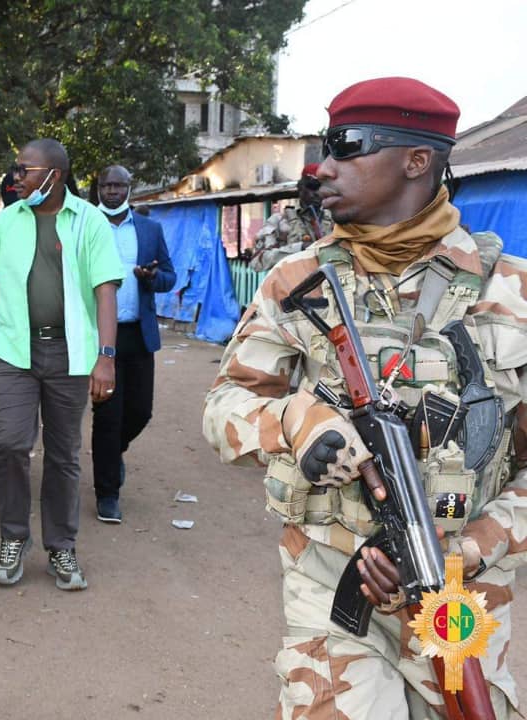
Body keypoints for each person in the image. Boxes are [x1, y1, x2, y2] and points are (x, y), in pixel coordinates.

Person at [202, 77, 527, 718]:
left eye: (348, 147)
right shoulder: (297, 281)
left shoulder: (511, 292)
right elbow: (224, 408)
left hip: (460, 597)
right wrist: (295, 419)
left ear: (417, 160)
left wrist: (472, 548)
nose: (324, 168)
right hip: (330, 580)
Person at [0, 138, 124, 591]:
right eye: (16, 169)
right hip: (13, 350)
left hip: (70, 353)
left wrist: (105, 357)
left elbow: (105, 291)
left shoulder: (89, 221)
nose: (16, 177)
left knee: (63, 453)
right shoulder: (7, 221)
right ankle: (13, 538)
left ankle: (61, 546)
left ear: (54, 175)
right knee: (9, 444)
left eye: (24, 170)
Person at [90, 164, 175, 523]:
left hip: (138, 334)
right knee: (107, 416)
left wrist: (151, 278)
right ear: (98, 188)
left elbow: (169, 276)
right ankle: (107, 494)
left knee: (140, 411)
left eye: (118, 185)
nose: (111, 191)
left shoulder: (149, 229)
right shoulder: (86, 224)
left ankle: (115, 452)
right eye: (105, 185)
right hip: (99, 336)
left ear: (129, 187)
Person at [249, 163, 333, 272]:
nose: (318, 193)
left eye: (322, 187)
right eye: (312, 187)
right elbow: (257, 262)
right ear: (300, 188)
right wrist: (299, 248)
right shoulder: (280, 221)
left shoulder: (334, 221)